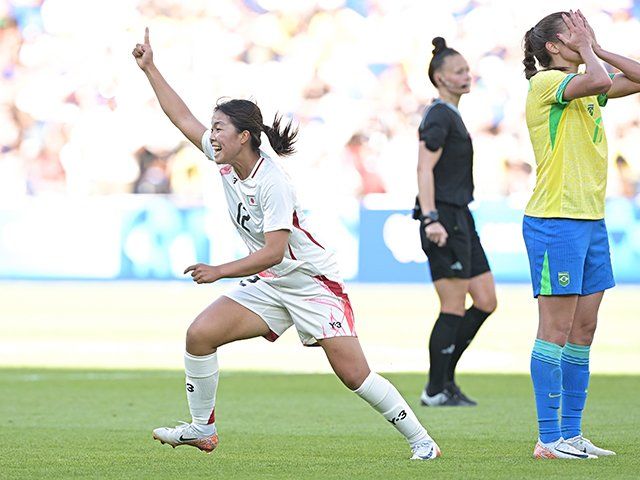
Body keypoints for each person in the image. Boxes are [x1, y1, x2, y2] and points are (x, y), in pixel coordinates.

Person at [131, 28, 441, 460]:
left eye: (219, 128)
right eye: (213, 128)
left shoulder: (271, 180)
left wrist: (219, 270)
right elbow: (181, 118)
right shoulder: (225, 161)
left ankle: (423, 442)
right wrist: (150, 69)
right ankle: (202, 428)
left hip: (311, 282)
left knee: (354, 374)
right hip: (273, 283)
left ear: (244, 136)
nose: (211, 135)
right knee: (200, 335)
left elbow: (275, 251)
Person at [522, 9, 640, 459]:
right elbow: (597, 81)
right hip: (555, 220)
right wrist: (592, 52)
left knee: (584, 330)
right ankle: (548, 439)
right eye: (574, 33)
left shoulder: (589, 81)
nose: (585, 36)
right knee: (554, 329)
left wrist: (598, 48)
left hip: (590, 221)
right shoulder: (545, 84)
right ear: (554, 47)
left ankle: (571, 434)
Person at [414, 37, 497, 407]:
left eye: (467, 70)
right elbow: (424, 168)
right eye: (459, 71)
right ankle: (435, 388)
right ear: (440, 77)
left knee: (485, 300)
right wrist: (431, 217)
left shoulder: (452, 114)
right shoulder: (438, 115)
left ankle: (445, 380)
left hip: (462, 215)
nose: (467, 76)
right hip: (444, 217)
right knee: (452, 305)